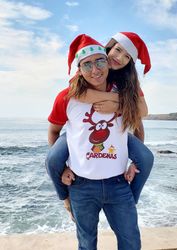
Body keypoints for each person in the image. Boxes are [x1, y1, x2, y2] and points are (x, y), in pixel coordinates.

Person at [48, 34, 141, 249]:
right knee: (87, 244)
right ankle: (64, 198)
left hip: (118, 185)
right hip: (82, 187)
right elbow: (54, 131)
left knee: (131, 243)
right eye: (87, 64)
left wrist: (135, 162)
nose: (95, 70)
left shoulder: (124, 94)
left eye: (100, 61)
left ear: (108, 63)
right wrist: (62, 168)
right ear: (79, 69)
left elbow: (137, 126)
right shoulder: (66, 97)